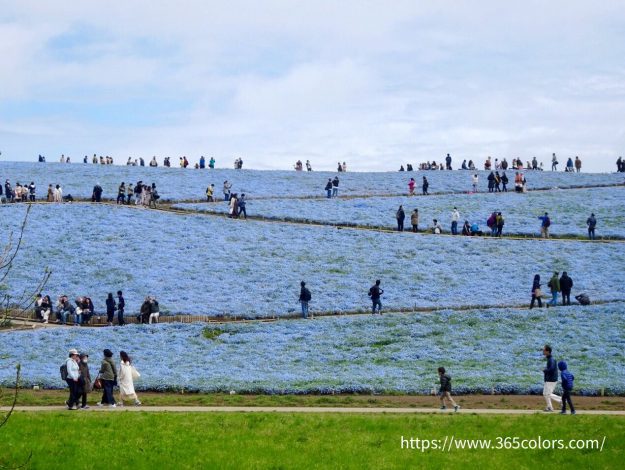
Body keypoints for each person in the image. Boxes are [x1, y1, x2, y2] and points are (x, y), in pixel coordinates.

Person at [542, 345, 561, 412]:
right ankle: (549, 407)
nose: (543, 351)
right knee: (545, 393)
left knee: (548, 394)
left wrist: (545, 370)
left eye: (544, 350)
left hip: (551, 379)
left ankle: (562, 400)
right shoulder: (550, 359)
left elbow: (552, 369)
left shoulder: (551, 360)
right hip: (549, 379)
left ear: (548, 351)